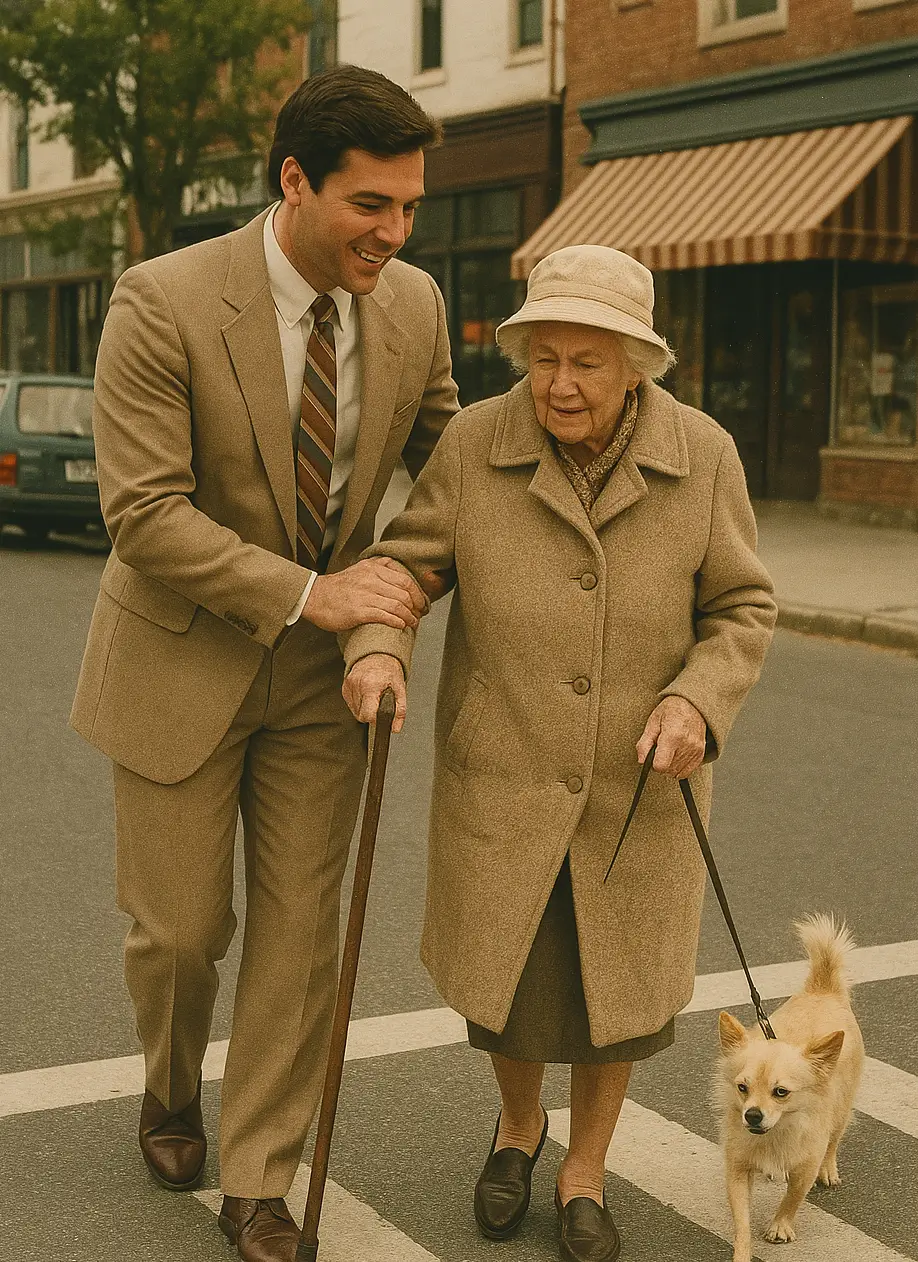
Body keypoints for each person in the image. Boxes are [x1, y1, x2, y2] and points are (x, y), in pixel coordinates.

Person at [70, 66, 458, 1262]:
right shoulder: (162, 300)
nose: (394, 234)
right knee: (181, 931)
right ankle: (169, 1080)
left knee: (302, 931)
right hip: (181, 656)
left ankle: (258, 1174)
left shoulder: (417, 305)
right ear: (295, 181)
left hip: (321, 685)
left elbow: (453, 465)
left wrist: (385, 611)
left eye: (409, 208)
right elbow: (142, 511)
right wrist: (311, 591)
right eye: (370, 206)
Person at [342, 245, 777, 1262]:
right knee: (512, 986)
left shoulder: (703, 454)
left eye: (588, 361)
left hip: (639, 783)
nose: (561, 384)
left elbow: (743, 606)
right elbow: (406, 566)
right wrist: (376, 647)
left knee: (611, 1001)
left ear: (637, 365)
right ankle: (516, 1126)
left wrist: (695, 701)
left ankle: (585, 1166)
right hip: (506, 767)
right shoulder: (478, 444)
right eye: (544, 357)